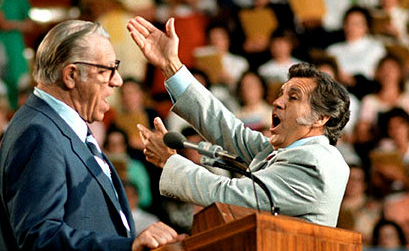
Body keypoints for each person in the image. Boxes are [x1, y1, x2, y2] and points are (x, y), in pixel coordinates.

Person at [0, 20, 183, 251]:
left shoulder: (61, 124)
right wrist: (126, 247)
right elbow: (40, 235)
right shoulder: (38, 133)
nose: (116, 81)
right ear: (70, 75)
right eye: (108, 70)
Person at [127, 16, 351, 227]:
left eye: (293, 97)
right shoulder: (284, 152)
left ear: (321, 118)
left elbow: (232, 195)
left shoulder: (317, 162)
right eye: (281, 93)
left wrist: (171, 162)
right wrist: (170, 65)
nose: (277, 102)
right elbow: (228, 129)